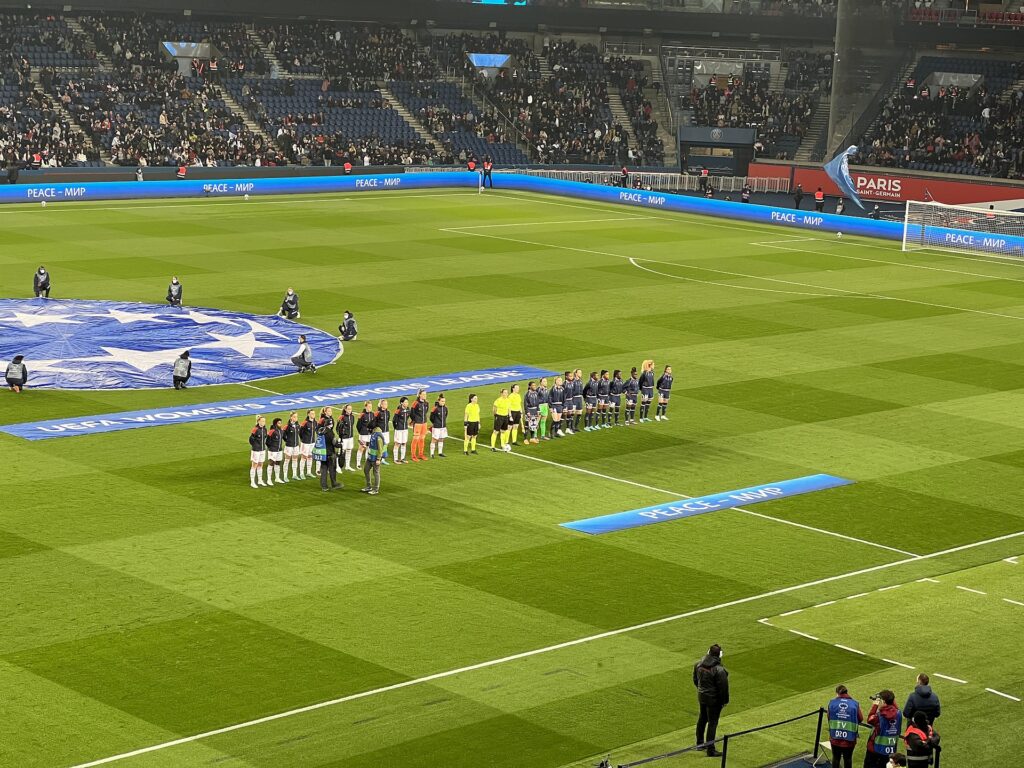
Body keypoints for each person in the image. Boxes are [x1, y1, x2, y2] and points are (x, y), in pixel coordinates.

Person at [693, 644, 729, 757]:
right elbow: (723, 688)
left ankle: (699, 743)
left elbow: (695, 680)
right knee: (712, 723)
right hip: (714, 700)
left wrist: (702, 691)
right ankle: (710, 749)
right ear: (719, 655)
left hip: (702, 697)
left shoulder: (698, 664)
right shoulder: (719, 670)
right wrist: (724, 701)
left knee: (702, 719)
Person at [828, 684, 864, 768]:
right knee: (848, 759)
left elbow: (829, 717)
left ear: (837, 693)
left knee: (836, 758)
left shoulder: (832, 703)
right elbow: (860, 718)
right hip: (850, 737)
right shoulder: (854, 704)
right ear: (847, 692)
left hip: (835, 736)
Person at [864, 690, 903, 767]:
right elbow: (894, 708)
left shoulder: (879, 715)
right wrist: (891, 698)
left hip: (875, 749)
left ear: (884, 701)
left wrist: (875, 705)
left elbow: (869, 719)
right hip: (891, 749)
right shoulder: (899, 714)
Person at [316, 406, 341, 491]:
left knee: (323, 469)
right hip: (330, 453)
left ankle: (324, 486)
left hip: (323, 453)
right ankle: (334, 483)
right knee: (332, 469)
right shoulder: (330, 433)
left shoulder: (321, 432)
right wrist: (340, 444)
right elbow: (335, 443)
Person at [362, 426, 385, 495]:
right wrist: (365, 444)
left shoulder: (378, 436)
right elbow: (372, 443)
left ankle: (376, 489)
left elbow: (380, 449)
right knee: (366, 470)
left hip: (375, 458)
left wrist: (378, 459)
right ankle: (369, 486)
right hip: (370, 457)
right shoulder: (374, 434)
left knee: (376, 473)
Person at [410, 389, 430, 462]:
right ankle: (413, 456)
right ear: (419, 395)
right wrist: (415, 420)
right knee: (415, 439)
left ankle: (421, 454)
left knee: (422, 439)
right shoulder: (415, 403)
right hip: (418, 423)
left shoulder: (426, 403)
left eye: (425, 394)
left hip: (424, 423)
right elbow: (412, 413)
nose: (425, 395)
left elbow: (426, 411)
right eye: (423, 394)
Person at [248, 416, 269, 488]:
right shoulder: (255, 429)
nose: (263, 422)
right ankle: (252, 482)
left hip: (263, 449)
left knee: (260, 465)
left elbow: (265, 438)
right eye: (262, 421)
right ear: (258, 421)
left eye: (264, 421)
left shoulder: (265, 429)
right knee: (254, 465)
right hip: (256, 450)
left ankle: (260, 480)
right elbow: (251, 439)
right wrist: (255, 446)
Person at [491, 387, 512, 452]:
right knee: (496, 431)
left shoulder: (508, 400)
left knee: (503, 431)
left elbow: (509, 409)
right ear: (501, 393)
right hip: (499, 417)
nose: (506, 394)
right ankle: (492, 447)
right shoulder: (498, 400)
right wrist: (496, 415)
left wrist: (510, 416)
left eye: (507, 392)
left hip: (505, 417)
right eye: (505, 392)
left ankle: (502, 445)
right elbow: (494, 409)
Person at [283, 411, 302, 480]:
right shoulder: (287, 426)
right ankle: (285, 476)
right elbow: (283, 435)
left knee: (295, 460)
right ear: (291, 417)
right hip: (289, 446)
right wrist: (287, 441)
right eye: (294, 417)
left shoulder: (298, 425)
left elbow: (299, 433)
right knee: (287, 460)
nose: (296, 418)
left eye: (296, 417)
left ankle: (294, 475)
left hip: (296, 445)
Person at [356, 401, 375, 469]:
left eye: (371, 407)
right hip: (363, 434)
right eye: (369, 406)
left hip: (370, 435)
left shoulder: (373, 414)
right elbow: (358, 425)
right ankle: (358, 463)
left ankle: (368, 463)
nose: (370, 408)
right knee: (361, 448)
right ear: (365, 406)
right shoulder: (362, 415)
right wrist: (361, 432)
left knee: (368, 448)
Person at [336, 403, 355, 472]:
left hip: (350, 437)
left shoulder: (352, 416)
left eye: (350, 409)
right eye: (348, 409)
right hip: (344, 438)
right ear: (345, 409)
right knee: (340, 452)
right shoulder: (341, 417)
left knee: (349, 451)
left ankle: (347, 465)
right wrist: (341, 436)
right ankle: (337, 467)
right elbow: (337, 428)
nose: (350, 410)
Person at [266, 417, 286, 484]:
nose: (280, 424)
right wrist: (271, 448)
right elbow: (267, 441)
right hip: (273, 450)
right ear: (275, 424)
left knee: (278, 463)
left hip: (279, 450)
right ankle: (269, 480)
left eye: (281, 423)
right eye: (279, 423)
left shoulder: (281, 430)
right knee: (271, 463)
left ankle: (277, 478)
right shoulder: (272, 431)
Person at [392, 397, 411, 464]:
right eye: (405, 402)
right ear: (401, 403)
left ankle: (402, 458)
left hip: (405, 429)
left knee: (404, 443)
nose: (407, 403)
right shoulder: (398, 410)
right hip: (399, 429)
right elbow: (394, 420)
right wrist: (396, 428)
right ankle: (395, 459)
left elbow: (408, 417)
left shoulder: (408, 409)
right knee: (397, 443)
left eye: (407, 402)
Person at [429, 393, 449, 458]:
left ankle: (440, 452)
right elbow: (431, 418)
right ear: (439, 401)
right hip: (437, 427)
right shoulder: (435, 408)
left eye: (444, 401)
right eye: (442, 401)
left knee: (441, 439)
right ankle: (432, 453)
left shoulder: (445, 408)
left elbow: (445, 416)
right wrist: (436, 423)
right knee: (434, 439)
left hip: (443, 427)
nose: (443, 402)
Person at [374, 399, 391, 465]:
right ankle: (378, 458)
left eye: (386, 404)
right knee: (379, 445)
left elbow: (388, 420)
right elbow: (374, 422)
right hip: (380, 432)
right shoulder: (377, 413)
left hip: (386, 431)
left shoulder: (388, 412)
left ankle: (383, 459)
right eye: (384, 404)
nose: (386, 405)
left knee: (385, 444)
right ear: (381, 405)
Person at [536, 376, 550, 441]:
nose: (546, 382)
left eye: (546, 381)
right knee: (536, 422)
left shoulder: (546, 389)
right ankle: (535, 437)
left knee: (543, 421)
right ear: (540, 382)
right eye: (544, 381)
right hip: (540, 406)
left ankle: (543, 436)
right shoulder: (538, 389)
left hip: (545, 406)